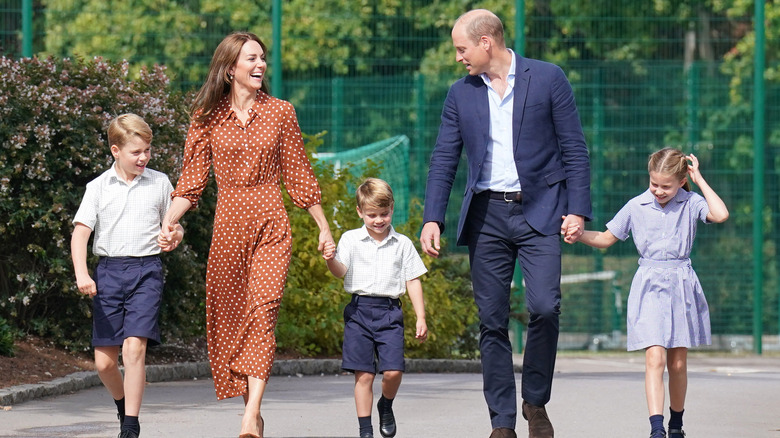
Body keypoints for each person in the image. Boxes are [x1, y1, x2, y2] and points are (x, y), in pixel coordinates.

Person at [419, 9, 592, 438]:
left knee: (545, 307)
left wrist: (577, 210)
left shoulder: (548, 78)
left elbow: (574, 148)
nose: (458, 57)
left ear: (486, 43)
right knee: (492, 320)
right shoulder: (461, 94)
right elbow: (444, 157)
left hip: (541, 210)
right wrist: (432, 217)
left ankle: (535, 400)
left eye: (462, 48)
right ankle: (502, 422)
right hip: (487, 217)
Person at [159, 32, 334, 438]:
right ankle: (252, 412)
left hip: (271, 223)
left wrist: (324, 226)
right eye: (251, 58)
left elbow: (299, 175)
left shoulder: (281, 112)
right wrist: (169, 221)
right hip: (228, 227)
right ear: (229, 67)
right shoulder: (207, 117)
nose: (260, 66)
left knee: (264, 313)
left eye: (263, 59)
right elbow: (191, 182)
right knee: (234, 319)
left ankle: (249, 415)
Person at [569, 148, 728, 438]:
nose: (658, 190)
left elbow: (720, 214)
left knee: (678, 363)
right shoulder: (636, 205)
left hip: (682, 285)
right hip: (649, 287)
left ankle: (676, 424)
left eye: (666, 185)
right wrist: (578, 234)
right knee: (654, 358)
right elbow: (606, 238)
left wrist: (699, 179)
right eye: (654, 183)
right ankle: (656, 429)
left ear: (681, 181)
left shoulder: (691, 202)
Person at [71, 113, 184, 438]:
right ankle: (123, 406)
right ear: (115, 151)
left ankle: (131, 427)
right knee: (105, 363)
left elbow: (175, 228)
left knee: (134, 347)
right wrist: (82, 274)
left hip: (146, 271)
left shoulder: (160, 183)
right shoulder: (98, 187)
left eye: (147, 150)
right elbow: (80, 235)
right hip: (108, 274)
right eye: (136, 152)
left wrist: (173, 237)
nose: (144, 157)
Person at [323, 177, 428, 438]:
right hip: (359, 312)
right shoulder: (350, 239)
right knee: (364, 374)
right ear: (360, 212)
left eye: (384, 213)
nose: (378, 220)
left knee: (393, 371)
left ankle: (386, 404)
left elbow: (412, 279)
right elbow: (340, 271)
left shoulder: (402, 243)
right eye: (372, 215)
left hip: (390, 313)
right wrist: (329, 260)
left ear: (392, 208)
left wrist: (421, 317)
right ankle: (365, 430)